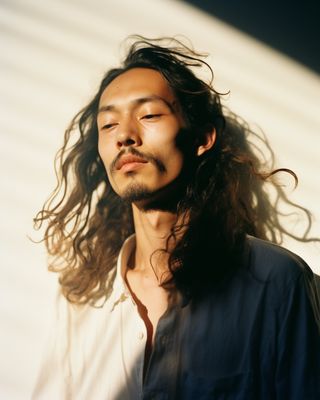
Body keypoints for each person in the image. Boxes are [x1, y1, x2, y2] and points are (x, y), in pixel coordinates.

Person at [32, 36, 320, 399]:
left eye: (149, 114)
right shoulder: (82, 298)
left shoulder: (276, 283)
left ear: (202, 138)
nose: (125, 136)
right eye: (108, 125)